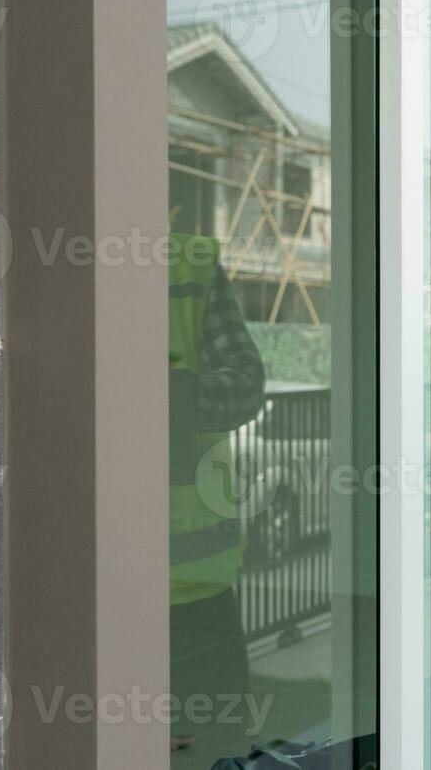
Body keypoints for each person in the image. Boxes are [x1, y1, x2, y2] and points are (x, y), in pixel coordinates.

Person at [166, 229, 266, 758]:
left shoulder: (191, 266)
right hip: (92, 588)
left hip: (198, 590)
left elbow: (245, 385)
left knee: (217, 748)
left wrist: (159, 397)